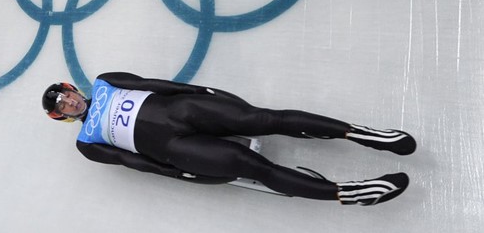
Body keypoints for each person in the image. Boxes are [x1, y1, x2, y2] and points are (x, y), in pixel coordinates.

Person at [42, 72, 416, 206]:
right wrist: (175, 173)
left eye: (66, 93)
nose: (70, 101)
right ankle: (346, 193)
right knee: (250, 166)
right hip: (175, 149)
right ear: (62, 116)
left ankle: (364, 134)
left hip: (183, 110)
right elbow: (131, 162)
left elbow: (152, 84)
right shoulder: (87, 144)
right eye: (63, 105)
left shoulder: (107, 80)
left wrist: (199, 91)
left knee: (265, 119)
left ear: (72, 87)